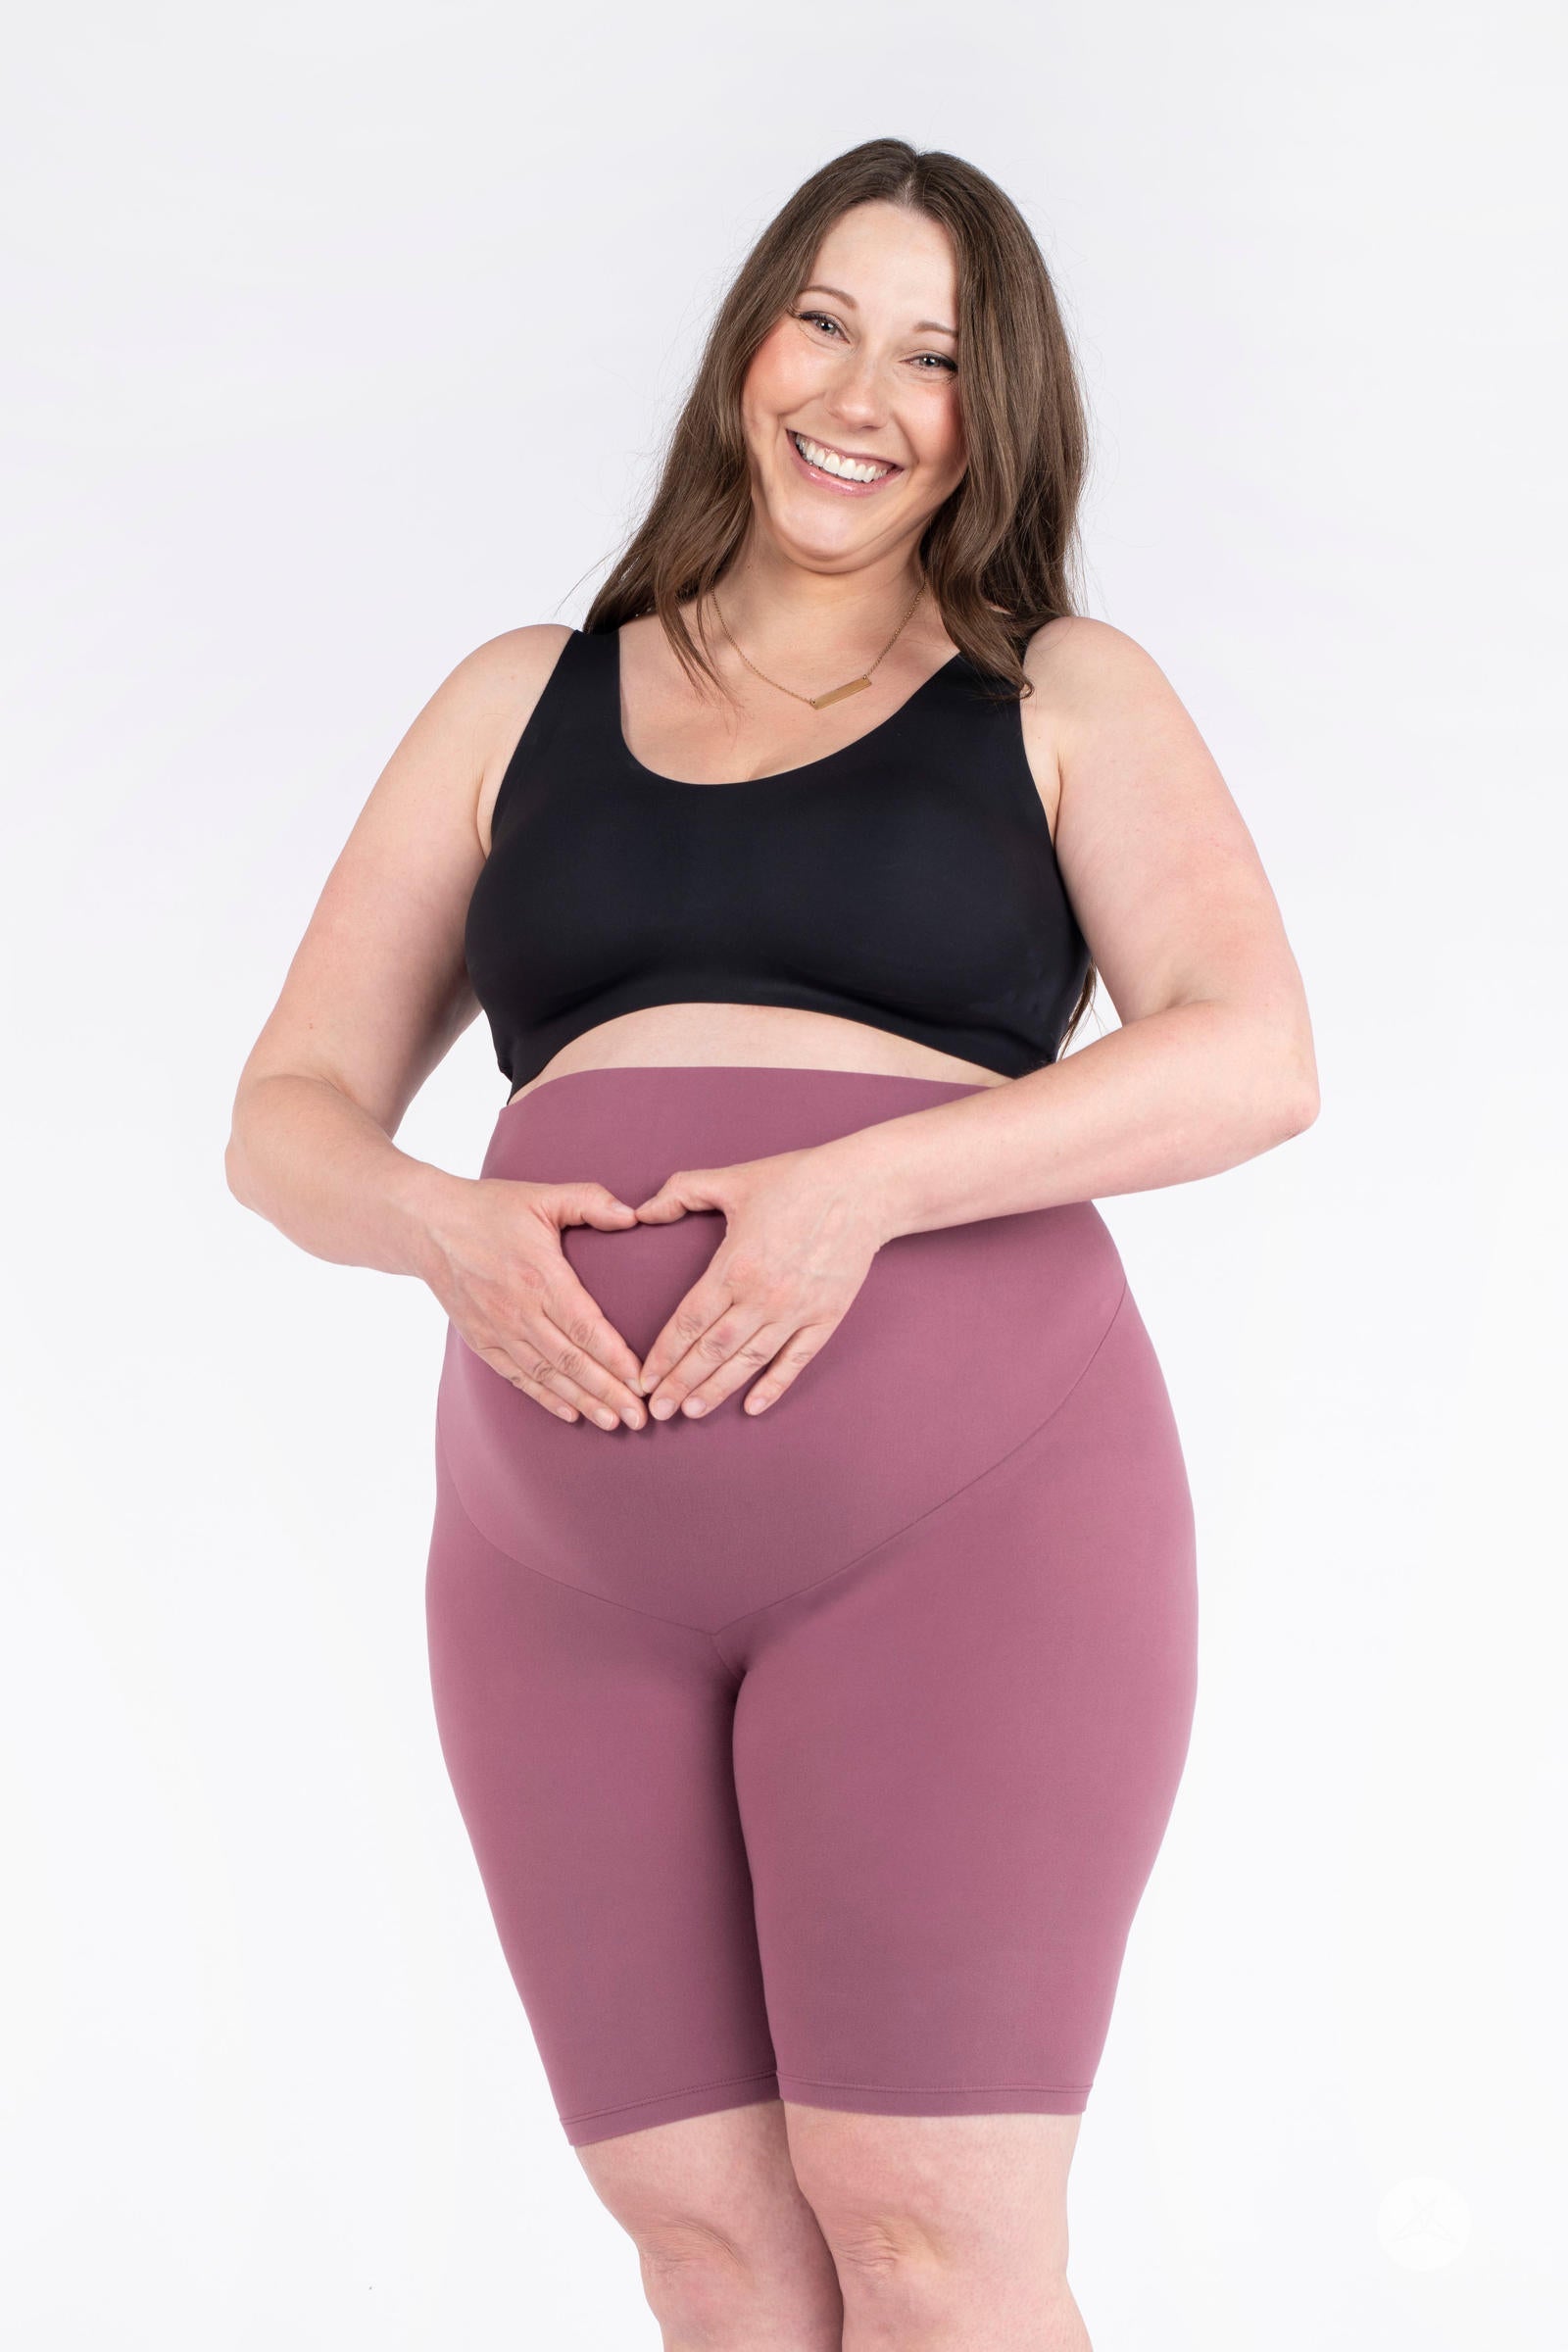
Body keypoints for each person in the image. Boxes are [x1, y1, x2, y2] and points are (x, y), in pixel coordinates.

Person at [225, 136, 1317, 2352]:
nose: (860, 393)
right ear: (747, 343)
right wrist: (442, 1227)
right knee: (707, 2254)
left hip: (967, 1534)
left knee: (928, 2240)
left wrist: (866, 1185)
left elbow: (1251, 1055)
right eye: (823, 320)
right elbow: (286, 1118)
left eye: (933, 355)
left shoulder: (1056, 694)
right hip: (554, 1572)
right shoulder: (520, 697)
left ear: (993, 414)